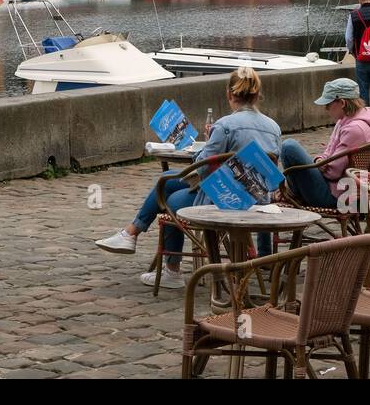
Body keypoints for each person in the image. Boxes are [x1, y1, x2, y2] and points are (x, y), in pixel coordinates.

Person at [94, 67, 281, 289]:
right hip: (257, 200)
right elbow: (268, 170)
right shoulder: (273, 127)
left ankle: (169, 267)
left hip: (227, 201)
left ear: (230, 95)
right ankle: (130, 233)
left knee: (170, 199)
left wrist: (208, 141)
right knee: (168, 178)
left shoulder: (225, 126)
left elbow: (201, 167)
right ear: (257, 95)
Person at [280, 77, 370, 208]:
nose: (326, 108)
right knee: (292, 149)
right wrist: (319, 161)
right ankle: (294, 192)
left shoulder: (354, 129)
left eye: (328, 104)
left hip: (335, 195)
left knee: (289, 146)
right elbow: (329, 153)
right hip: (340, 189)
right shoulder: (347, 120)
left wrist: (318, 165)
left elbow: (332, 172)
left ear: (342, 103)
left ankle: (292, 193)